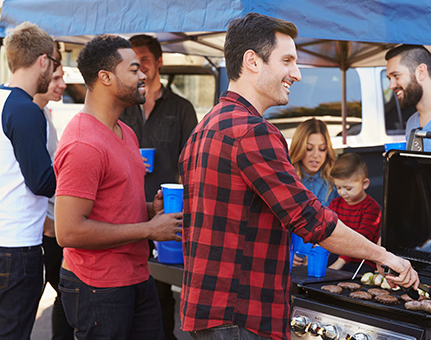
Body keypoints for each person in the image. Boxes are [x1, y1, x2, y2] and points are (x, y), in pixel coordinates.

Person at [178, 12, 418, 340]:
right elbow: (311, 220)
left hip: (209, 312)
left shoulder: (206, 126)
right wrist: (384, 256)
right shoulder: (253, 131)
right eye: (288, 60)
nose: (297, 73)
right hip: (242, 316)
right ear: (252, 61)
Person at [53, 34, 183, 339]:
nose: (143, 75)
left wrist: (151, 210)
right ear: (106, 77)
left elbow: (115, 208)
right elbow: (68, 231)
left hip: (136, 276)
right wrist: (150, 230)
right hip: (98, 286)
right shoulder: (83, 143)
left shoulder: (125, 132)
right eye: (134, 69)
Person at [119, 34, 198, 340]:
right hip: (128, 213)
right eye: (134, 61)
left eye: (146, 59)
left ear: (159, 62)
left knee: (162, 293)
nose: (141, 67)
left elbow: (191, 165)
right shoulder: (123, 107)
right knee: (129, 289)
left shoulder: (181, 107)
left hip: (166, 214)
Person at [0, 22, 56, 339]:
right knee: (12, 334)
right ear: (43, 60)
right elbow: (41, 181)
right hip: (16, 246)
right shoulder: (26, 110)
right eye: (54, 63)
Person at [33, 47, 73, 340]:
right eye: (57, 77)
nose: (63, 84)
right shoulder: (29, 115)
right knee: (64, 292)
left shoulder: (45, 113)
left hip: (54, 221)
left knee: (65, 295)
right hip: (47, 229)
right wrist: (49, 226)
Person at [289, 118, 338, 267]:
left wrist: (315, 251)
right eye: (309, 148)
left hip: (322, 260)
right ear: (299, 148)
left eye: (322, 149)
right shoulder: (287, 178)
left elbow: (338, 227)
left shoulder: (334, 183)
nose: (316, 155)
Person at [326, 153, 381, 273]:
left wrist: (338, 264)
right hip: (337, 254)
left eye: (348, 188)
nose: (343, 193)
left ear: (364, 184)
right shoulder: (335, 204)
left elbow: (362, 239)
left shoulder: (371, 208)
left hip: (362, 260)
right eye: (338, 187)